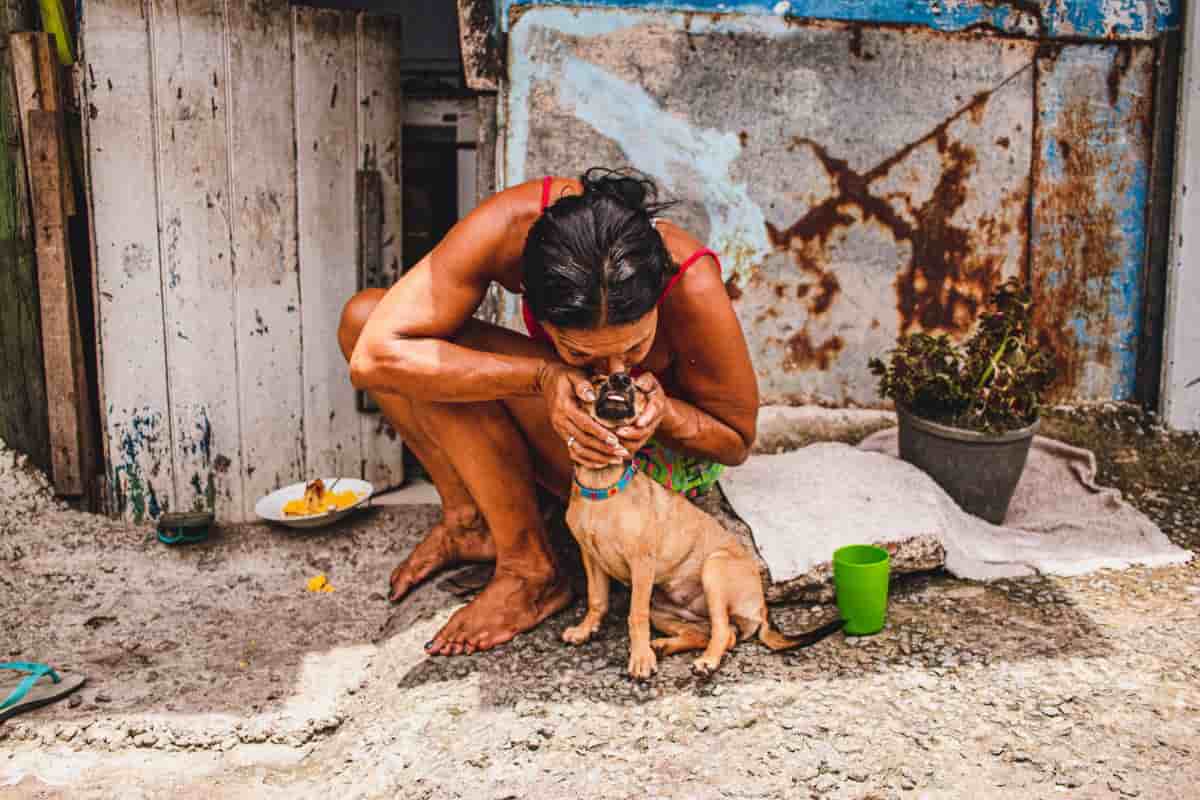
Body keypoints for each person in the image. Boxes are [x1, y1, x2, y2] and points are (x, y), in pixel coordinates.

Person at [339, 168, 759, 656]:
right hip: (567, 439)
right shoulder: (509, 230)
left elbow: (736, 439)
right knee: (367, 319)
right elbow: (372, 356)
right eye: (582, 354)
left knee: (429, 348)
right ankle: (470, 521)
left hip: (643, 472)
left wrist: (664, 415)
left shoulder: (690, 281)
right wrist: (541, 377)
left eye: (636, 348)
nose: (612, 372)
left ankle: (530, 570)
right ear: (526, 290)